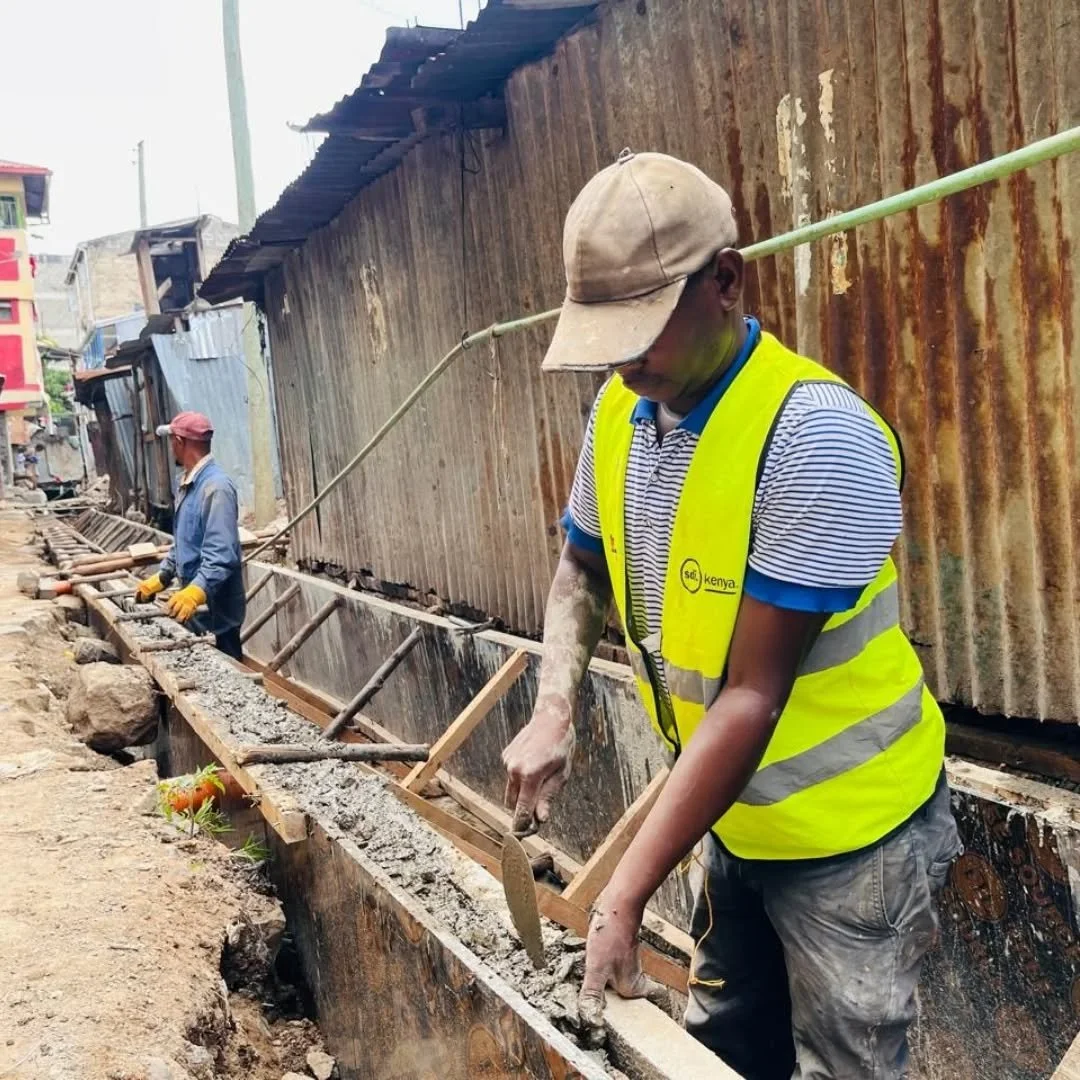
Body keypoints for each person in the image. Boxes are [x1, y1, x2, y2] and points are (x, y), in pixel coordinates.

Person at [502, 150, 961, 1080]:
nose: (625, 364)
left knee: (846, 1064)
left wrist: (624, 894)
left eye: (643, 333)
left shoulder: (816, 438)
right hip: (736, 825)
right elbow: (580, 570)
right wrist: (556, 706)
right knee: (726, 1048)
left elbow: (751, 695)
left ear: (724, 280)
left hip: (855, 844)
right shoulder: (622, 416)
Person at [135, 411, 245, 659]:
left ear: (180, 442)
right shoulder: (188, 483)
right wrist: (163, 575)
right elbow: (183, 539)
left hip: (216, 610)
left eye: (172, 440)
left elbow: (221, 555)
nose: (171, 447)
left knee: (226, 670)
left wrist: (196, 591)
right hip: (196, 605)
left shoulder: (216, 487)